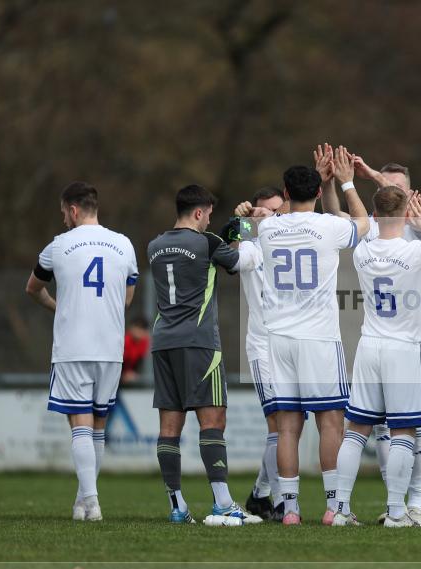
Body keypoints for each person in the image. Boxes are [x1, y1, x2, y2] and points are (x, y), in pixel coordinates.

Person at [235, 148, 370, 525]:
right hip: (319, 338)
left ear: (284, 190)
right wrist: (344, 181)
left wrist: (245, 214)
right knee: (331, 421)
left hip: (277, 337)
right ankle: (333, 506)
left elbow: (234, 234)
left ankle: (290, 508)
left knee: (287, 426)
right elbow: (363, 222)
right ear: (316, 191)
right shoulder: (327, 226)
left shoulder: (270, 227)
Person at [317, 144, 421, 526]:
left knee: (357, 431)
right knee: (405, 429)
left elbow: (356, 219)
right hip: (405, 348)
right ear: (406, 213)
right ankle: (395, 512)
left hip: (370, 347)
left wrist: (347, 182)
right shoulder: (418, 253)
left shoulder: (363, 252)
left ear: (374, 213)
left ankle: (338, 509)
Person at [147, 184, 261, 525]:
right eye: (208, 213)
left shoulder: (155, 245)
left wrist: (230, 223)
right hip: (198, 342)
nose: (209, 218)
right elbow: (242, 260)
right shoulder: (206, 242)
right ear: (199, 212)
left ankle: (177, 506)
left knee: (170, 425)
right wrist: (246, 225)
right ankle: (223, 503)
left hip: (163, 341)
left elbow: (210, 248)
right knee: (212, 421)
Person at [25, 181, 138, 521]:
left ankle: (91, 500)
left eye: (64, 214)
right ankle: (83, 502)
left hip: (74, 346)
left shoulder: (57, 247)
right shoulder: (124, 244)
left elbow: (32, 288)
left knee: (80, 426)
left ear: (73, 211)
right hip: (110, 347)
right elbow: (128, 298)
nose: (63, 220)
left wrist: (59, 306)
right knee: (98, 426)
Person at [233, 186, 286, 522]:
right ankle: (281, 503)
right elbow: (230, 254)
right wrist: (239, 222)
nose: (270, 217)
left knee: (290, 426)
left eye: (277, 211)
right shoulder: (251, 247)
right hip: (264, 344)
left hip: (296, 342)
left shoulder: (296, 241)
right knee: (279, 425)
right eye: (263, 212)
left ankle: (260, 493)